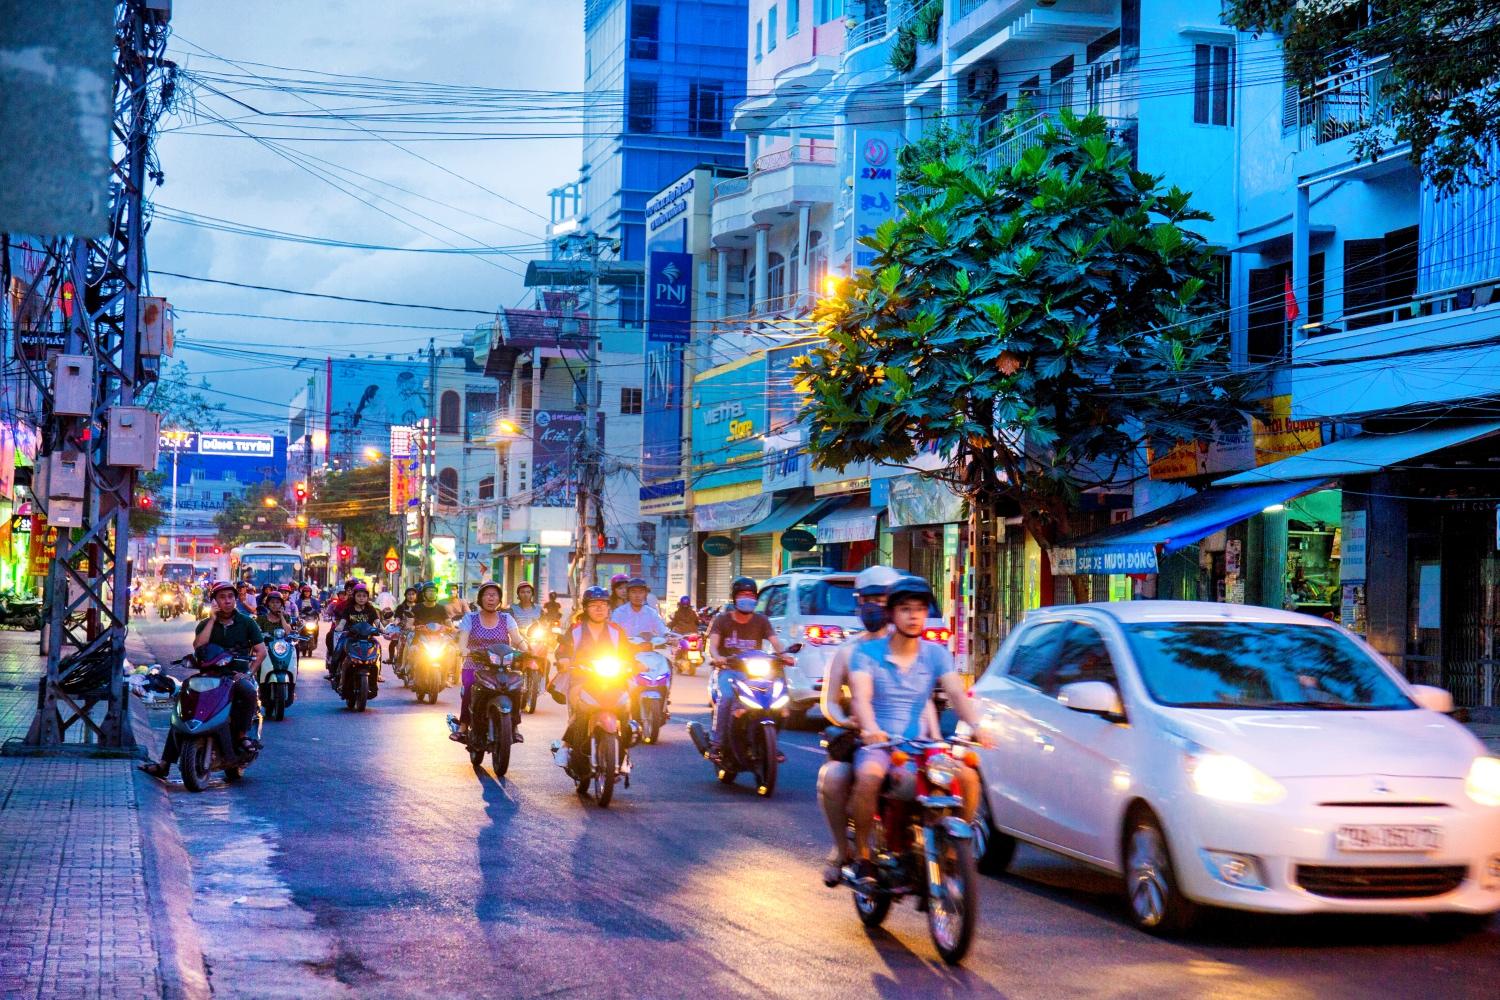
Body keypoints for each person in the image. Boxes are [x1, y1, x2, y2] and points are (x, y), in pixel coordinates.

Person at [847, 575, 984, 890]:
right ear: (892, 615)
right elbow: (862, 699)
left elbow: (957, 695)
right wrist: (870, 729)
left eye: (920, 609)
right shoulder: (866, 654)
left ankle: (951, 851)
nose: (914, 616)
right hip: (882, 744)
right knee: (868, 777)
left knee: (968, 778)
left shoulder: (935, 653)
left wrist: (977, 726)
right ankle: (864, 857)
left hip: (923, 745)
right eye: (906, 609)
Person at [816, 565, 910, 886]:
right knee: (834, 777)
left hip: (907, 741)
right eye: (869, 599)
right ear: (859, 604)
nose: (875, 606)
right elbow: (828, 701)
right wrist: (845, 721)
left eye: (882, 600)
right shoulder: (847, 651)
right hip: (866, 741)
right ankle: (845, 851)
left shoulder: (914, 648)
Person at [141, 582, 266, 778]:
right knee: (183, 708)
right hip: (209, 674)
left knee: (248, 692)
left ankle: (241, 737)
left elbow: (261, 651)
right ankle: (165, 764)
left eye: (230, 597)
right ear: (214, 601)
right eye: (222, 597)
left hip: (234, 676)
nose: (227, 601)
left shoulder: (247, 622)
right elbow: (199, 645)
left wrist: (249, 673)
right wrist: (211, 620)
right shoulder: (205, 624)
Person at [706, 577, 792, 760]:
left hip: (754, 672)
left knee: (779, 701)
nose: (748, 598)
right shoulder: (722, 620)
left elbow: (775, 641)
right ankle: (717, 744)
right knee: (727, 697)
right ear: (735, 598)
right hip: (728, 670)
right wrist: (718, 657)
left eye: (751, 595)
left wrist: (784, 655)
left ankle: (770, 744)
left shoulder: (761, 620)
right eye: (743, 595)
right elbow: (713, 645)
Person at [550, 586, 631, 771]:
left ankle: (624, 754)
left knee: (626, 709)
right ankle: (566, 746)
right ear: (585, 608)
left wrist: (635, 663)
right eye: (594, 605)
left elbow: (628, 653)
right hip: (582, 678)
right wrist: (563, 659)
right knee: (581, 710)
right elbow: (563, 649)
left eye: (603, 604)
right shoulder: (576, 629)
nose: (599, 608)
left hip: (613, 679)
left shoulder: (616, 630)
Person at [451, 582, 522, 740]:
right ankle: (463, 726)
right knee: (470, 686)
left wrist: (528, 649)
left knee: (515, 686)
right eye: (487, 594)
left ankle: (515, 726)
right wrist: (463, 649)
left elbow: (517, 639)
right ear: (481, 598)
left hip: (501, 667)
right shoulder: (470, 618)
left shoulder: (506, 618)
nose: (491, 598)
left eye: (494, 595)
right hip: (474, 665)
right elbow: (463, 639)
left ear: (499, 599)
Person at [332, 584, 384, 691]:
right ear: (354, 596)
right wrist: (340, 627)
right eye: (359, 596)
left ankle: (377, 675)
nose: (361, 598)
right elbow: (342, 622)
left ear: (367, 597)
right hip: (351, 638)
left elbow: (377, 623)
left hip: (367, 638)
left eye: (364, 596)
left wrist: (384, 630)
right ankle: (337, 676)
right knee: (338, 651)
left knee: (378, 647)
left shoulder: (371, 609)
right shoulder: (348, 609)